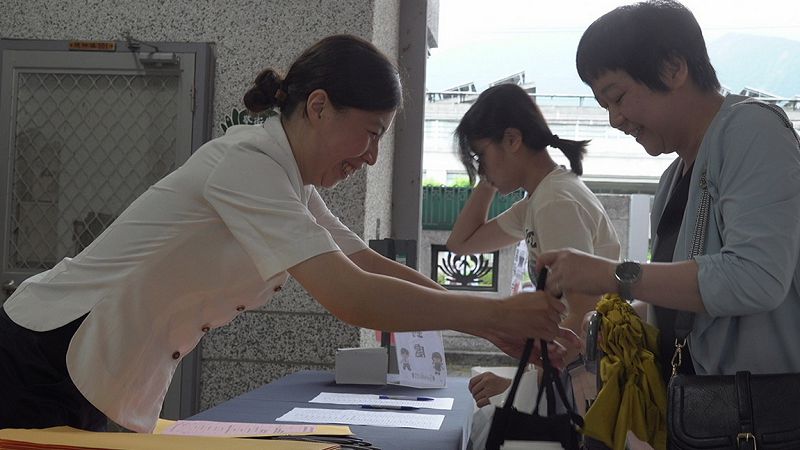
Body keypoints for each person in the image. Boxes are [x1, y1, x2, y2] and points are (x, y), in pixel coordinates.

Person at [0, 34, 569, 434]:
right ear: (318, 107)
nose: (372, 157)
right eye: (371, 133)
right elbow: (351, 295)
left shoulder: (288, 179)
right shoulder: (247, 162)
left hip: (94, 364)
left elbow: (363, 263)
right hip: (48, 351)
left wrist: (492, 321)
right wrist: (493, 314)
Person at [537, 0, 800, 382]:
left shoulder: (752, 129)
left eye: (618, 97)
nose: (615, 119)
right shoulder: (673, 177)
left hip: (758, 410)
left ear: (673, 68)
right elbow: (693, 311)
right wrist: (606, 326)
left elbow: (756, 277)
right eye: (605, 105)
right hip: (698, 407)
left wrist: (615, 276)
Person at [445, 84, 620, 413]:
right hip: (572, 377)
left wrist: (517, 389)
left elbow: (581, 314)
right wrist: (490, 175)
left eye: (481, 156)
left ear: (513, 139)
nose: (481, 169)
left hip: (582, 384)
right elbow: (463, 243)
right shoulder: (540, 199)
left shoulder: (555, 202)